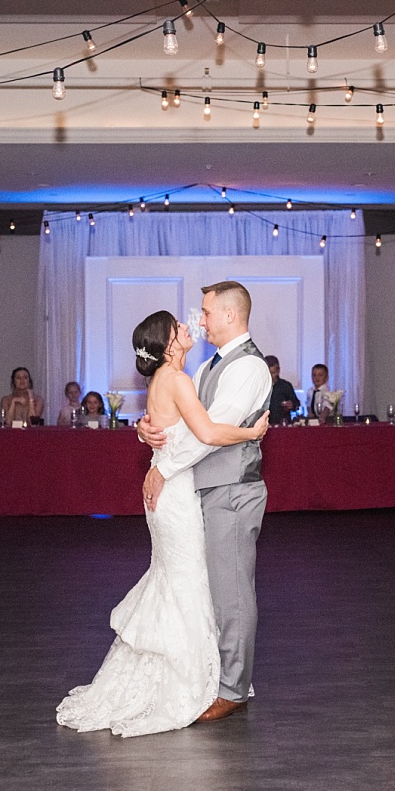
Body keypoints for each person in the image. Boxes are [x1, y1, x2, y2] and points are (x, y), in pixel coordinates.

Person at [57, 309, 268, 737]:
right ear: (169, 344)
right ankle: (190, 681)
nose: (190, 327)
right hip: (176, 493)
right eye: (180, 328)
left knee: (174, 579)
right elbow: (207, 433)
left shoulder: (164, 380)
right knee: (186, 581)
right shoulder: (180, 379)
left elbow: (174, 431)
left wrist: (146, 434)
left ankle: (203, 676)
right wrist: (252, 433)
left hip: (170, 489)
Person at [136, 281, 273, 723]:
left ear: (230, 316)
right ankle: (213, 675)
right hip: (204, 490)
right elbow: (183, 427)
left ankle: (232, 689)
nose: (200, 320)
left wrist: (163, 467)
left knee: (231, 591)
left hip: (232, 489)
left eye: (206, 312)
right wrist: (147, 429)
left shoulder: (249, 368)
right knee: (208, 588)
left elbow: (210, 434)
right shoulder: (207, 366)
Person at [264, 355, 299, 425]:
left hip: (282, 424)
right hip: (264, 425)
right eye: (268, 373)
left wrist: (291, 405)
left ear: (278, 370)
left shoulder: (285, 385)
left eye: (273, 373)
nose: (270, 376)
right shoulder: (259, 387)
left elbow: (296, 403)